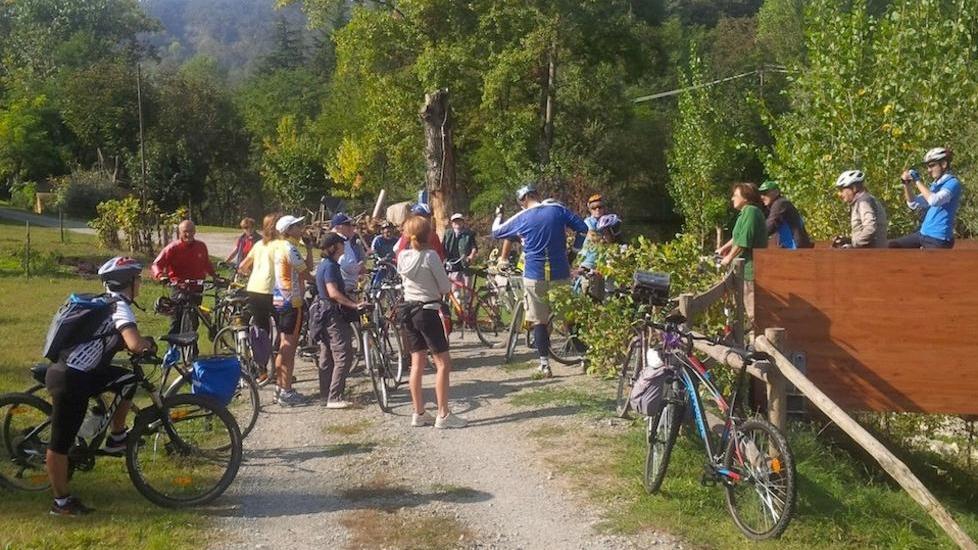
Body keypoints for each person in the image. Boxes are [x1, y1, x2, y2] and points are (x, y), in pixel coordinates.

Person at [46, 257, 155, 516]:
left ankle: (117, 438)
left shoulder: (109, 302)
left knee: (128, 379)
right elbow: (134, 343)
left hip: (85, 372)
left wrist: (142, 342)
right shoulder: (119, 308)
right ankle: (60, 503)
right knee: (60, 444)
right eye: (137, 279)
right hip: (71, 378)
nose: (139, 283)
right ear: (126, 282)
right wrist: (146, 345)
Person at [491, 184, 588, 377]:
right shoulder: (558, 210)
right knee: (569, 317)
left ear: (523, 201)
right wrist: (573, 253)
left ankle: (544, 364)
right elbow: (583, 229)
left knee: (539, 322)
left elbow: (496, 232)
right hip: (560, 272)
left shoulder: (523, 216)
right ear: (537, 194)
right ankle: (584, 356)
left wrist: (498, 215)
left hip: (534, 275)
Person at [397, 215, 466, 428]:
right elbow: (445, 288)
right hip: (428, 311)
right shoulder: (431, 256)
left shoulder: (403, 256)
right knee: (443, 363)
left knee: (417, 363)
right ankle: (443, 414)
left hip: (408, 311)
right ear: (429, 234)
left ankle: (419, 412)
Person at [315, 233, 366, 409]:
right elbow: (333, 292)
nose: (344, 246)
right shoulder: (330, 267)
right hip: (332, 313)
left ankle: (325, 395)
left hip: (324, 312)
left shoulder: (326, 265)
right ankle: (335, 397)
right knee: (343, 354)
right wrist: (354, 305)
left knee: (327, 355)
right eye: (340, 244)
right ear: (333, 247)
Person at [272, 215, 314, 407]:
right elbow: (306, 273)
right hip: (292, 302)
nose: (301, 227)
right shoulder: (290, 248)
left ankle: (280, 387)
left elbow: (306, 267)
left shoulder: (280, 246)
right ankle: (286, 391)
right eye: (297, 225)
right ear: (288, 230)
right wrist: (321, 281)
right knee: (289, 348)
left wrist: (310, 249)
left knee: (283, 344)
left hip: (280, 299)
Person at [151, 219, 217, 334]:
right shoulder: (172, 248)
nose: (188, 234)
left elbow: (206, 263)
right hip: (179, 289)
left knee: (193, 321)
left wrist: (215, 275)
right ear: (180, 233)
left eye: (191, 231)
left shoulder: (201, 246)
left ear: (195, 231)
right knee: (176, 321)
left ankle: (192, 349)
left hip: (196, 288)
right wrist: (160, 275)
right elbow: (156, 264)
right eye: (185, 231)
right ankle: (173, 349)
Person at [889, 147, 963, 249]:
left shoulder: (952, 183)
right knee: (892, 246)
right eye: (928, 167)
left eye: (932, 166)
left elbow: (934, 200)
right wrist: (906, 184)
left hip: (938, 239)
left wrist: (917, 181)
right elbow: (913, 203)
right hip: (923, 234)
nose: (929, 170)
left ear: (944, 164)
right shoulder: (935, 185)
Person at [237, 213, 281, 385]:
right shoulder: (281, 245)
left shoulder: (259, 244)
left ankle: (262, 370)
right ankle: (278, 365)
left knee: (261, 331)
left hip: (254, 288)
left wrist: (254, 274)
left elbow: (242, 266)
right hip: (273, 290)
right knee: (284, 330)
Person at [716, 183, 768, 316]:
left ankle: (755, 336)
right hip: (744, 269)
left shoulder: (751, 212)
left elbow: (744, 240)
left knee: (752, 312)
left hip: (750, 271)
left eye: (735, 195)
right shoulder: (745, 213)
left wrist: (728, 258)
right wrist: (723, 249)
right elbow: (737, 237)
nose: (732, 198)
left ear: (746, 198)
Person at [832, 170, 889, 249]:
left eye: (842, 190)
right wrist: (848, 240)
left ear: (854, 188)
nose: (840, 194)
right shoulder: (865, 200)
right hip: (872, 251)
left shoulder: (863, 202)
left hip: (871, 255)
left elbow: (870, 228)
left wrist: (853, 244)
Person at [758, 181, 813, 249]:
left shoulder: (780, 204)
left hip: (795, 248)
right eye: (761, 194)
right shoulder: (779, 204)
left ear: (776, 192)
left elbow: (771, 225)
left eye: (765, 193)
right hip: (793, 247)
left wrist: (755, 236)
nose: (762, 197)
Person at [443, 212, 478, 301]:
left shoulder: (469, 234)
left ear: (463, 222)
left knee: (467, 290)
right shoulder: (448, 233)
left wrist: (470, 256)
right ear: (452, 223)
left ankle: (466, 309)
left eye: (459, 221)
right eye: (455, 221)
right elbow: (443, 247)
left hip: (465, 264)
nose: (457, 223)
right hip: (452, 265)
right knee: (454, 289)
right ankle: (458, 309)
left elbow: (474, 248)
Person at [330, 213, 366, 290]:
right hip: (344, 289)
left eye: (351, 224)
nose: (351, 227)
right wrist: (360, 266)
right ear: (337, 227)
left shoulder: (345, 241)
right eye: (347, 224)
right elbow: (348, 266)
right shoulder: (339, 243)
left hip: (348, 287)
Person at [579, 194, 607, 269]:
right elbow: (593, 237)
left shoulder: (607, 222)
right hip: (588, 261)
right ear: (590, 210)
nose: (597, 210)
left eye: (600, 207)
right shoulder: (588, 222)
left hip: (603, 262)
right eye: (593, 208)